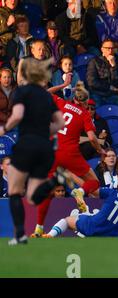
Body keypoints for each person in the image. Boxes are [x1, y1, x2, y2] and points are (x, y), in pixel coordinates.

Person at [1, 58, 65, 245]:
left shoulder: (22, 91)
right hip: (45, 147)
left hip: (27, 144)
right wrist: (45, 133)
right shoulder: (46, 95)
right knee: (32, 196)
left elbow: (18, 115)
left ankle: (20, 234)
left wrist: (4, 129)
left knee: (14, 191)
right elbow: (60, 123)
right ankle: (57, 179)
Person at [31, 81, 105, 238]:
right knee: (94, 182)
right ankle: (80, 191)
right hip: (70, 153)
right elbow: (92, 137)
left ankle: (38, 228)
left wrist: (64, 83)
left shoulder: (61, 103)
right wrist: (100, 150)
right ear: (85, 102)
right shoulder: (85, 114)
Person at [42, 175, 118, 238]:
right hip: (110, 235)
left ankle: (50, 235)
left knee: (67, 221)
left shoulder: (112, 193)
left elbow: (91, 190)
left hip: (93, 226)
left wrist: (74, 178)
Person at [86, 38, 118, 109]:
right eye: (108, 48)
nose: (110, 51)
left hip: (111, 95)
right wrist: (109, 87)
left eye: (112, 48)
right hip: (97, 93)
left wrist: (113, 67)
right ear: (102, 49)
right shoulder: (94, 61)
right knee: (96, 106)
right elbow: (91, 82)